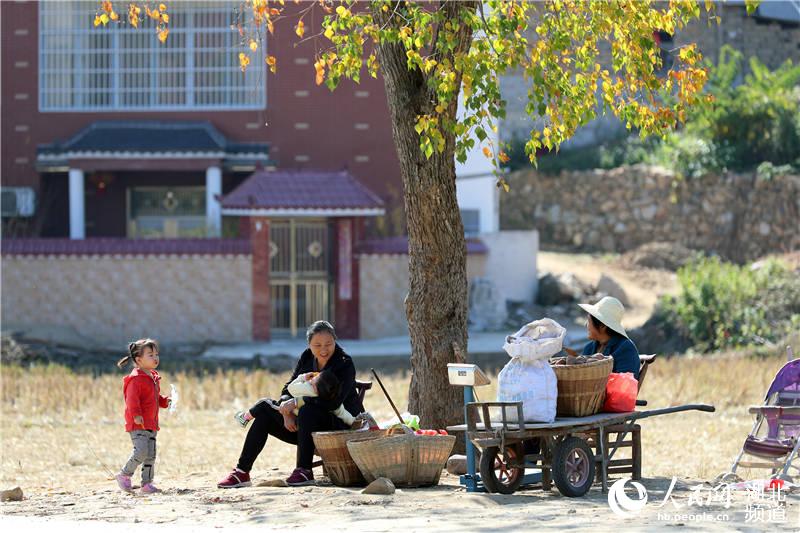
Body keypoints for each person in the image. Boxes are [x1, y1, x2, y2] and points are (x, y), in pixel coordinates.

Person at [218, 320, 364, 488]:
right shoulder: (307, 357)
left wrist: (296, 402)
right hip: (303, 426)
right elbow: (288, 388)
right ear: (309, 344)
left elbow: (333, 403)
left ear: (335, 341)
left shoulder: (344, 363)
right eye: (317, 345)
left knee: (307, 410)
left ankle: (304, 470)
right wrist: (286, 411)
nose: (323, 350)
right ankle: (242, 472)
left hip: (336, 426)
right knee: (265, 414)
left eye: (328, 344)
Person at [114, 338, 171, 494]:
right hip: (138, 424)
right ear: (138, 360)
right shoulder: (136, 379)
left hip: (151, 423)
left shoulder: (152, 377)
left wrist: (165, 401)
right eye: (150, 355)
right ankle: (124, 474)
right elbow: (132, 400)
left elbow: (155, 397)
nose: (155, 358)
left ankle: (147, 484)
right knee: (141, 452)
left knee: (150, 455)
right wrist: (136, 415)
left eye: (156, 354)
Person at [234, 370, 360, 429]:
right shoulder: (333, 401)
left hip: (295, 416)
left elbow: (291, 388)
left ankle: (244, 418)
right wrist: (355, 422)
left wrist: (303, 377)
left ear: (315, 387)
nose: (311, 379)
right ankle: (245, 417)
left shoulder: (308, 390)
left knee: (264, 403)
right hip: (311, 425)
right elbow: (344, 415)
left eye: (314, 379)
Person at [578, 296, 640, 379]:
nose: (586, 325)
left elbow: (625, 385)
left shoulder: (626, 349)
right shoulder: (589, 348)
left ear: (603, 325)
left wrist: (601, 366)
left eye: (589, 321)